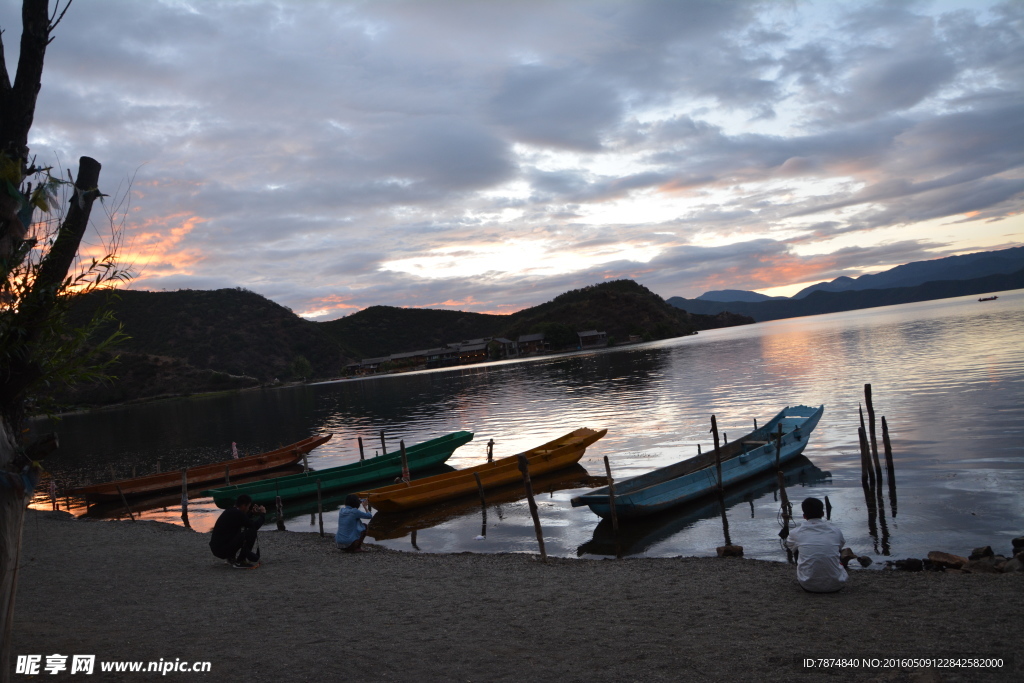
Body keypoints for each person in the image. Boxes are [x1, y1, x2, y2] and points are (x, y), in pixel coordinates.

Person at [785, 497, 848, 592]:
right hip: (837, 584)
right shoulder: (835, 530)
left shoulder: (796, 533)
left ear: (804, 516)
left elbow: (789, 546)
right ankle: (831, 570)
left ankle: (808, 573)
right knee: (834, 547)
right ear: (823, 514)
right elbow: (840, 546)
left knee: (796, 547)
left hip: (807, 585)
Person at [210, 494, 266, 568]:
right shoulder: (238, 513)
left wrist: (251, 513)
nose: (248, 509)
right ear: (243, 506)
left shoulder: (231, 511)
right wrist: (263, 515)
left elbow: (242, 521)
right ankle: (241, 561)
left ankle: (231, 558)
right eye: (248, 507)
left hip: (217, 549)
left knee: (240, 532)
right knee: (251, 532)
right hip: (222, 550)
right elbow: (254, 526)